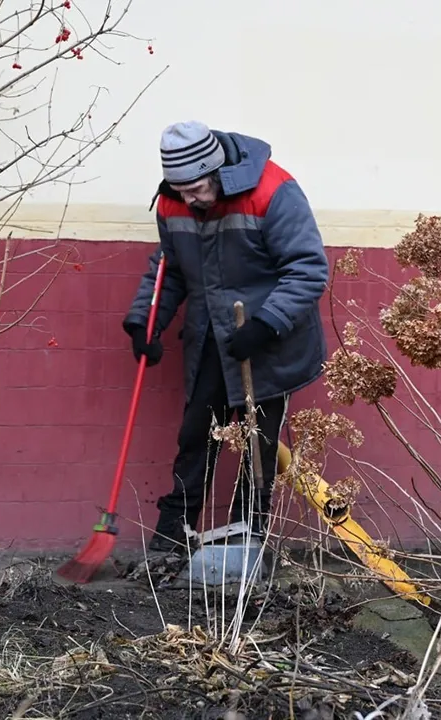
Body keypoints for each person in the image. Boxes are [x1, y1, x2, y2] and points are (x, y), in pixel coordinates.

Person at [122, 120, 329, 586]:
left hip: (271, 340)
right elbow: (169, 267)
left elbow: (308, 269)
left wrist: (264, 324)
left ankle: (248, 537)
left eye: (196, 188)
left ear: (216, 170)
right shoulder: (175, 200)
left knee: (259, 440)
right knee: (198, 434)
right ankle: (173, 539)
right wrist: (146, 321)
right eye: (180, 190)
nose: (189, 199)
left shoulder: (275, 191)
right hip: (211, 336)